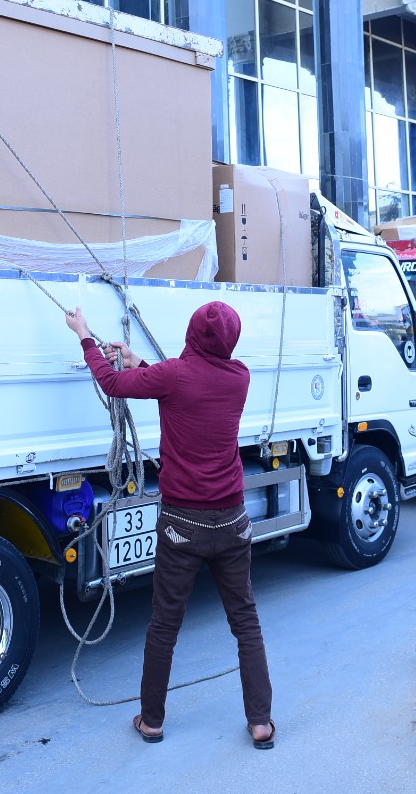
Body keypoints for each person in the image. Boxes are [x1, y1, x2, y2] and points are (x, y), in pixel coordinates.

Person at [64, 303, 275, 750]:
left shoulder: (175, 376)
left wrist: (84, 335)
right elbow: (185, 383)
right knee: (246, 622)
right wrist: (138, 360)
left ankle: (153, 721)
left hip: (183, 524)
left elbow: (113, 383)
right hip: (233, 521)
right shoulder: (239, 377)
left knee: (164, 625)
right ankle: (260, 722)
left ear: (192, 333)